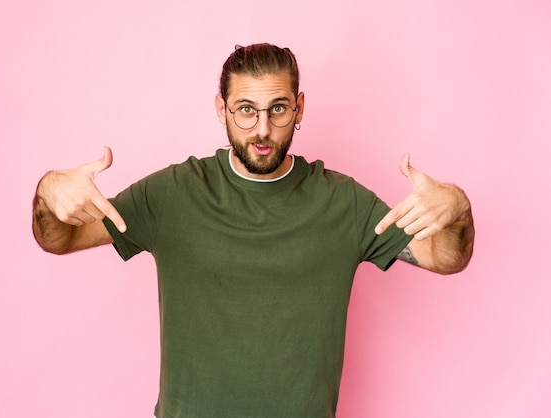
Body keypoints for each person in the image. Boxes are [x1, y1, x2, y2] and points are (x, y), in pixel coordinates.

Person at [32, 43, 474, 418]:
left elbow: (445, 257)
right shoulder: (174, 193)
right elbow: (60, 238)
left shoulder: (343, 202)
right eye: (245, 110)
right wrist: (49, 191)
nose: (262, 129)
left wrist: (456, 206)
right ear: (221, 108)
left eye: (277, 109)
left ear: (299, 107)